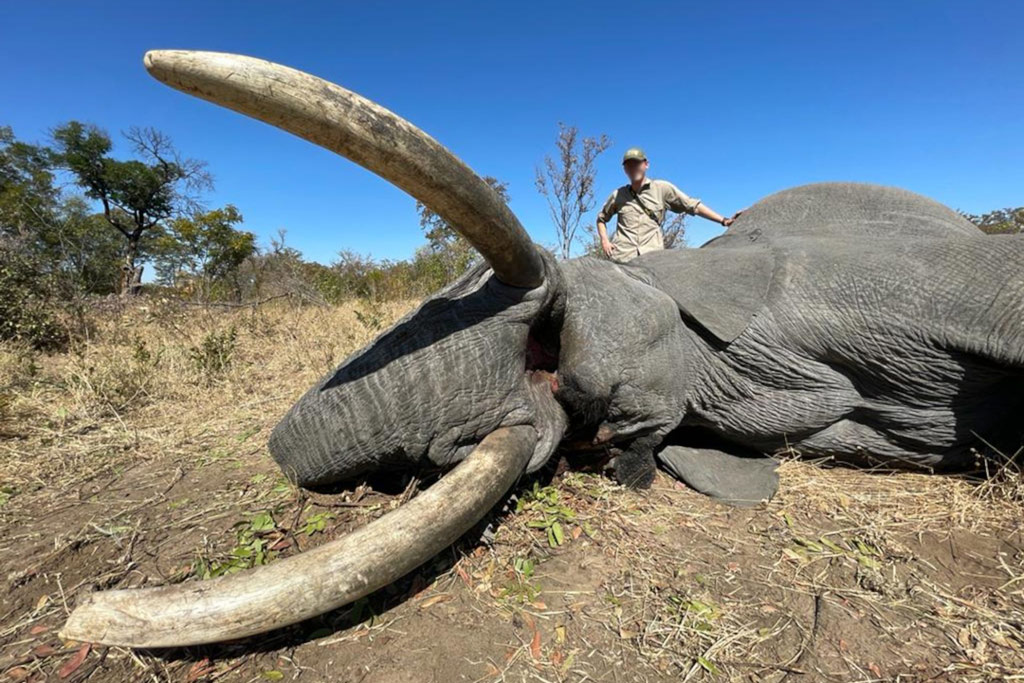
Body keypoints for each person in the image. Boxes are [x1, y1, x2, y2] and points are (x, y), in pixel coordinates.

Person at [596, 147, 736, 262]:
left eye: (637, 164)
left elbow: (692, 205)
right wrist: (605, 241)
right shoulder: (618, 195)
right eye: (629, 165)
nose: (633, 168)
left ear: (646, 164)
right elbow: (601, 219)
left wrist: (723, 220)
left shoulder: (662, 188)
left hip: (652, 259)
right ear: (625, 169)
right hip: (622, 258)